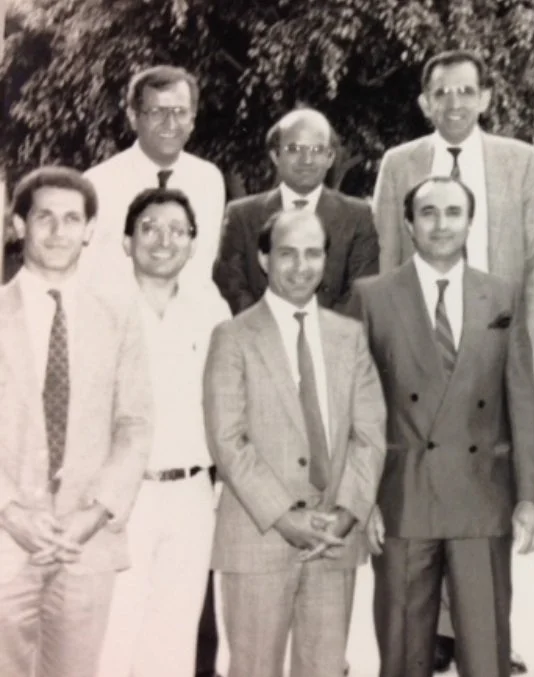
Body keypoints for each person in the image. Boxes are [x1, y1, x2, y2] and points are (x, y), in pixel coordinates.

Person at [356, 176, 534, 677]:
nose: (441, 224)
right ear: (408, 224)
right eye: (428, 213)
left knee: (486, 654)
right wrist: (361, 498)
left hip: (481, 497)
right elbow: (357, 409)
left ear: (470, 221)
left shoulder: (501, 294)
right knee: (403, 655)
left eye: (453, 212)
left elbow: (522, 399)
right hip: (402, 499)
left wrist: (531, 495)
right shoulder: (372, 297)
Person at [203, 208, 386, 677]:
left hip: (333, 539)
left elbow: (370, 434)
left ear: (326, 259)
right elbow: (228, 440)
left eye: (312, 254)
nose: (301, 267)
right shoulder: (233, 337)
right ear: (264, 259)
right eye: (287, 254)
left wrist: (347, 514)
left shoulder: (350, 337)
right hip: (258, 535)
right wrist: (284, 517)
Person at [0, 166, 154, 677]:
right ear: (18, 225)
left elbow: (134, 424)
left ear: (90, 230)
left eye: (72, 219)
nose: (58, 231)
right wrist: (11, 513)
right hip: (5, 540)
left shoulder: (117, 314)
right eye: (44, 217)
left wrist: (94, 514)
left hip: (85, 545)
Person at [95, 188, 230, 677]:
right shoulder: (101, 307)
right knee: (113, 638)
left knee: (173, 641)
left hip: (192, 494)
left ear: (193, 245)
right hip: (123, 499)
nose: (163, 240)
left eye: (177, 231)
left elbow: (228, 402)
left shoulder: (211, 310)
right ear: (127, 241)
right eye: (149, 228)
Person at [372, 49, 534, 340]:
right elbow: (384, 258)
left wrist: (532, 342)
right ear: (425, 104)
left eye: (466, 91)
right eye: (442, 93)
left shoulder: (522, 161)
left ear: (485, 99)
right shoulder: (397, 165)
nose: (454, 103)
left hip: (501, 333)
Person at [213, 107, 379, 317]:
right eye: (294, 149)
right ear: (275, 155)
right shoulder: (241, 215)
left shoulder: (358, 216)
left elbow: (360, 291)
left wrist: (319, 331)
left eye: (317, 149)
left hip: (332, 334)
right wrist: (270, 328)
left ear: (330, 157)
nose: (306, 159)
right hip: (259, 332)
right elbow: (231, 286)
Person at [82, 66, 225, 296]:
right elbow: (84, 273)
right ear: (133, 117)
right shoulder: (98, 184)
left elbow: (204, 264)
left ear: (192, 120)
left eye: (180, 112)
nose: (170, 123)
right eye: (157, 112)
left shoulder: (209, 180)